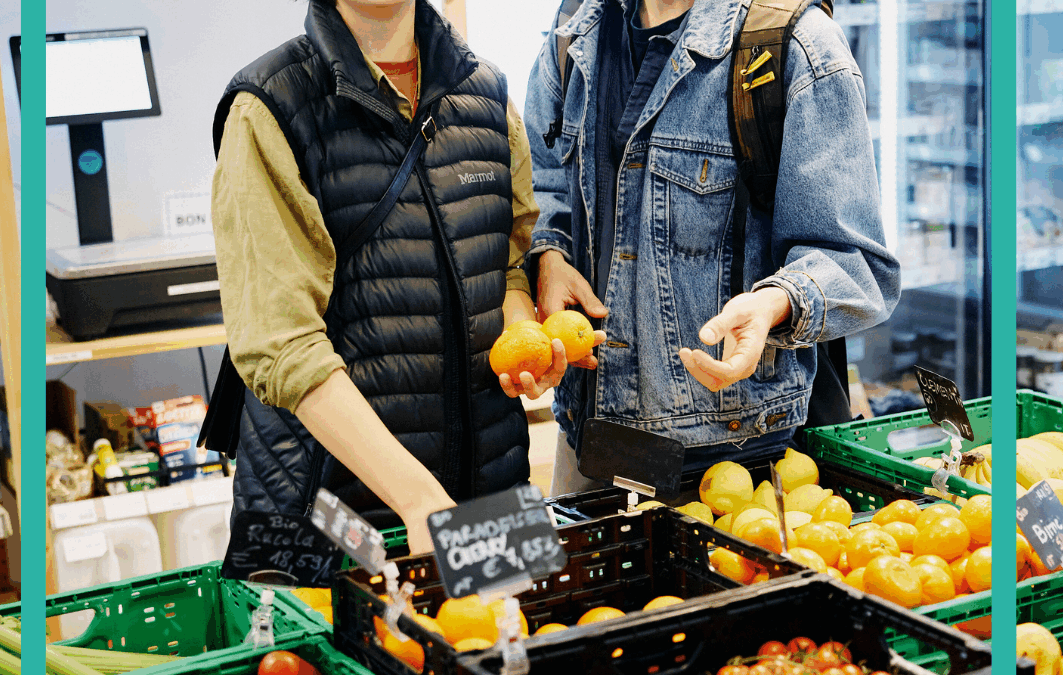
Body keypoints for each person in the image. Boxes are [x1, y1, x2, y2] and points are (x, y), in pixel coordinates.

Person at [210, 0, 586, 555]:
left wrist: (519, 342)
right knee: (370, 645)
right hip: (337, 522)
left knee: (512, 639)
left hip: (494, 493)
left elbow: (506, 264)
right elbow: (283, 344)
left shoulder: (485, 93)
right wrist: (418, 501)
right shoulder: (269, 106)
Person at [524, 0, 901, 496]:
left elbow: (858, 264)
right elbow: (544, 178)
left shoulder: (795, 45)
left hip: (738, 465)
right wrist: (551, 253)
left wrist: (775, 302)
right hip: (589, 443)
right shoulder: (576, 30)